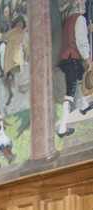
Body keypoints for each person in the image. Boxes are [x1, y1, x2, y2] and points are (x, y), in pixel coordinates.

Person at [56, 1, 93, 137]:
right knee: (70, 93)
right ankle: (62, 128)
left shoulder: (69, 20)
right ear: (78, 6)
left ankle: (84, 106)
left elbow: (74, 35)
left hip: (66, 59)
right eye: (81, 2)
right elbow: (81, 41)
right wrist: (88, 58)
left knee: (81, 77)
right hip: (72, 58)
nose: (83, 4)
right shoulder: (80, 18)